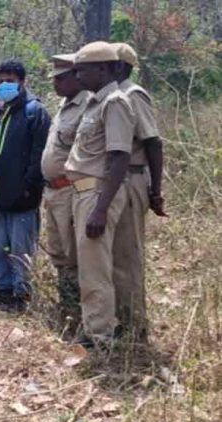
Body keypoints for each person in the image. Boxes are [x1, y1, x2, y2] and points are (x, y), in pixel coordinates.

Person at [65, 41, 134, 349]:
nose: (77, 77)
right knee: (89, 267)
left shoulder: (115, 102)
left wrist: (101, 208)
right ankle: (93, 326)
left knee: (95, 270)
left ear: (105, 69)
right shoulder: (94, 102)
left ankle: (99, 336)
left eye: (83, 70)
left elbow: (119, 157)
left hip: (96, 194)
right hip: (83, 193)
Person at [0, 59, 51, 311]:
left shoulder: (34, 112)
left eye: (10, 81)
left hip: (22, 195)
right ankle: (2, 289)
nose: (4, 85)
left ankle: (22, 293)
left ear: (22, 82)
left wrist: (31, 187)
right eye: (0, 81)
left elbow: (39, 153)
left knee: (21, 247)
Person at [111, 42, 166, 343]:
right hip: (110, 183)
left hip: (130, 181)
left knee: (126, 257)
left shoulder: (133, 96)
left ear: (118, 67)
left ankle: (134, 327)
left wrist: (155, 191)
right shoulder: (108, 98)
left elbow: (154, 142)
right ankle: (118, 319)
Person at [41, 54, 91, 329]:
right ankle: (68, 310)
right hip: (52, 193)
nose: (55, 83)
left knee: (75, 256)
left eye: (61, 78)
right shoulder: (64, 106)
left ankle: (83, 317)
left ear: (77, 77)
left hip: (71, 192)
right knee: (59, 255)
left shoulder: (88, 106)